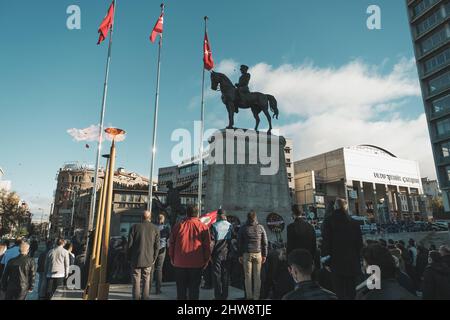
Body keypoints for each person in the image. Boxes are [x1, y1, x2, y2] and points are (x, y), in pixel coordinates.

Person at [321, 198, 363, 300]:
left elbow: (326, 242)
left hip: (336, 263)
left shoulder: (328, 221)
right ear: (346, 207)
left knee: (339, 293)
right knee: (351, 292)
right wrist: (359, 260)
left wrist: (326, 262)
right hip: (352, 263)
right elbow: (359, 245)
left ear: (335, 206)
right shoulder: (354, 222)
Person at [169, 205, 211, 300]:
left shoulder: (178, 225)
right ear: (197, 214)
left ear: (187, 213)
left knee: (181, 290)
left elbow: (171, 243)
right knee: (194, 289)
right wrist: (206, 260)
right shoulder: (203, 227)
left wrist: (172, 257)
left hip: (180, 262)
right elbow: (207, 246)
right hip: (197, 262)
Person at [127, 210, 160, 300]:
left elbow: (129, 245)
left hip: (136, 258)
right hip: (149, 259)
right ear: (150, 218)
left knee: (136, 280)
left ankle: (136, 297)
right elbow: (157, 246)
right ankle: (145, 297)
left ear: (141, 217)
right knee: (146, 279)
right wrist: (154, 258)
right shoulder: (155, 228)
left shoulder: (134, 227)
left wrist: (129, 257)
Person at [238, 210, 268, 300]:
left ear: (247, 218)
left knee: (247, 277)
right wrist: (265, 255)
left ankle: (249, 297)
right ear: (255, 218)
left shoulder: (243, 228)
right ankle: (256, 297)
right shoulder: (261, 227)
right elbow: (265, 242)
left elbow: (239, 242)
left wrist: (240, 255)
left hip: (247, 254)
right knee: (257, 277)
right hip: (258, 253)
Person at [211, 209, 233, 300]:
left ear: (218, 216)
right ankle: (225, 296)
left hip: (217, 253)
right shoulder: (230, 226)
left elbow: (211, 242)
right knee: (225, 274)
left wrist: (210, 255)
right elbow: (233, 240)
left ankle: (217, 296)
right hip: (227, 253)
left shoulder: (214, 226)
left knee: (217, 275)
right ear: (225, 216)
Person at [151, 213, 170, 295]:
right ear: (163, 220)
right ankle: (158, 289)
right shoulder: (166, 227)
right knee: (159, 268)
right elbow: (169, 237)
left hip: (152, 249)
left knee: (151, 268)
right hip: (162, 249)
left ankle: (148, 288)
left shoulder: (153, 227)